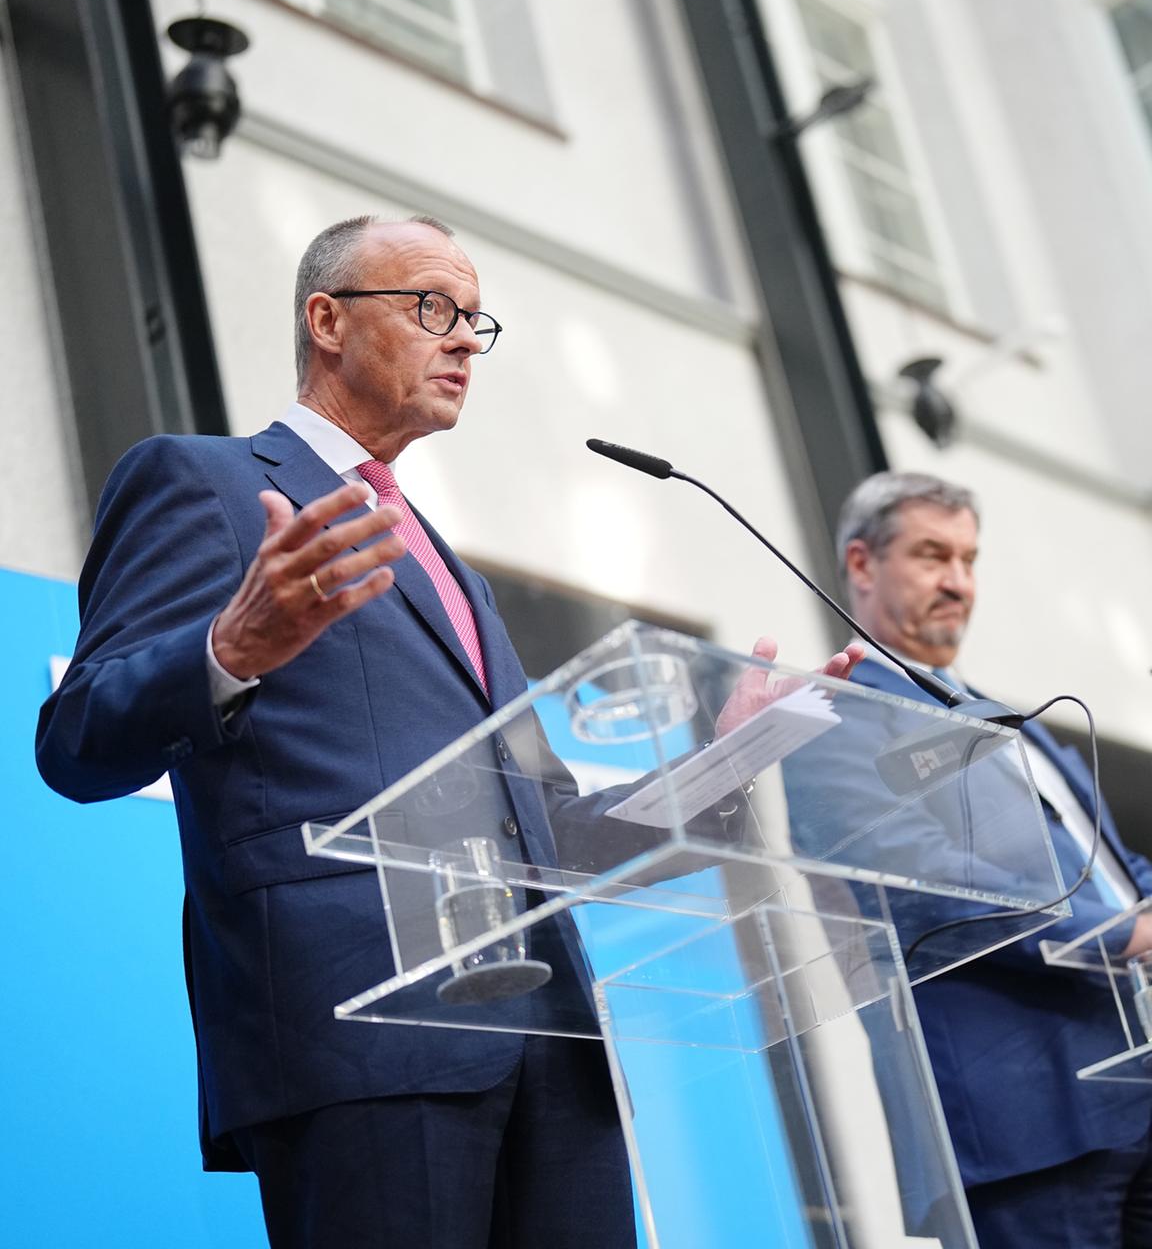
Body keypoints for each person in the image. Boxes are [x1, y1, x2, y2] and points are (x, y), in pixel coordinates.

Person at [35, 214, 862, 1249]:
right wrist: (233, 646)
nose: (465, 339)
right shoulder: (203, 484)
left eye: (477, 320)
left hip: (552, 1050)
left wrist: (728, 762)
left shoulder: (453, 574)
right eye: (433, 307)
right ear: (327, 321)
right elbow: (76, 740)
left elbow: (549, 832)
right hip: (364, 1034)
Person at [829, 471, 1152, 1248]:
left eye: (971, 560)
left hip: (1132, 1089)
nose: (959, 582)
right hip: (1024, 1125)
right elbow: (929, 890)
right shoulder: (836, 714)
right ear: (863, 565)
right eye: (933, 555)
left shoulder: (1017, 720)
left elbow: (1115, 867)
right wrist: (1126, 936)